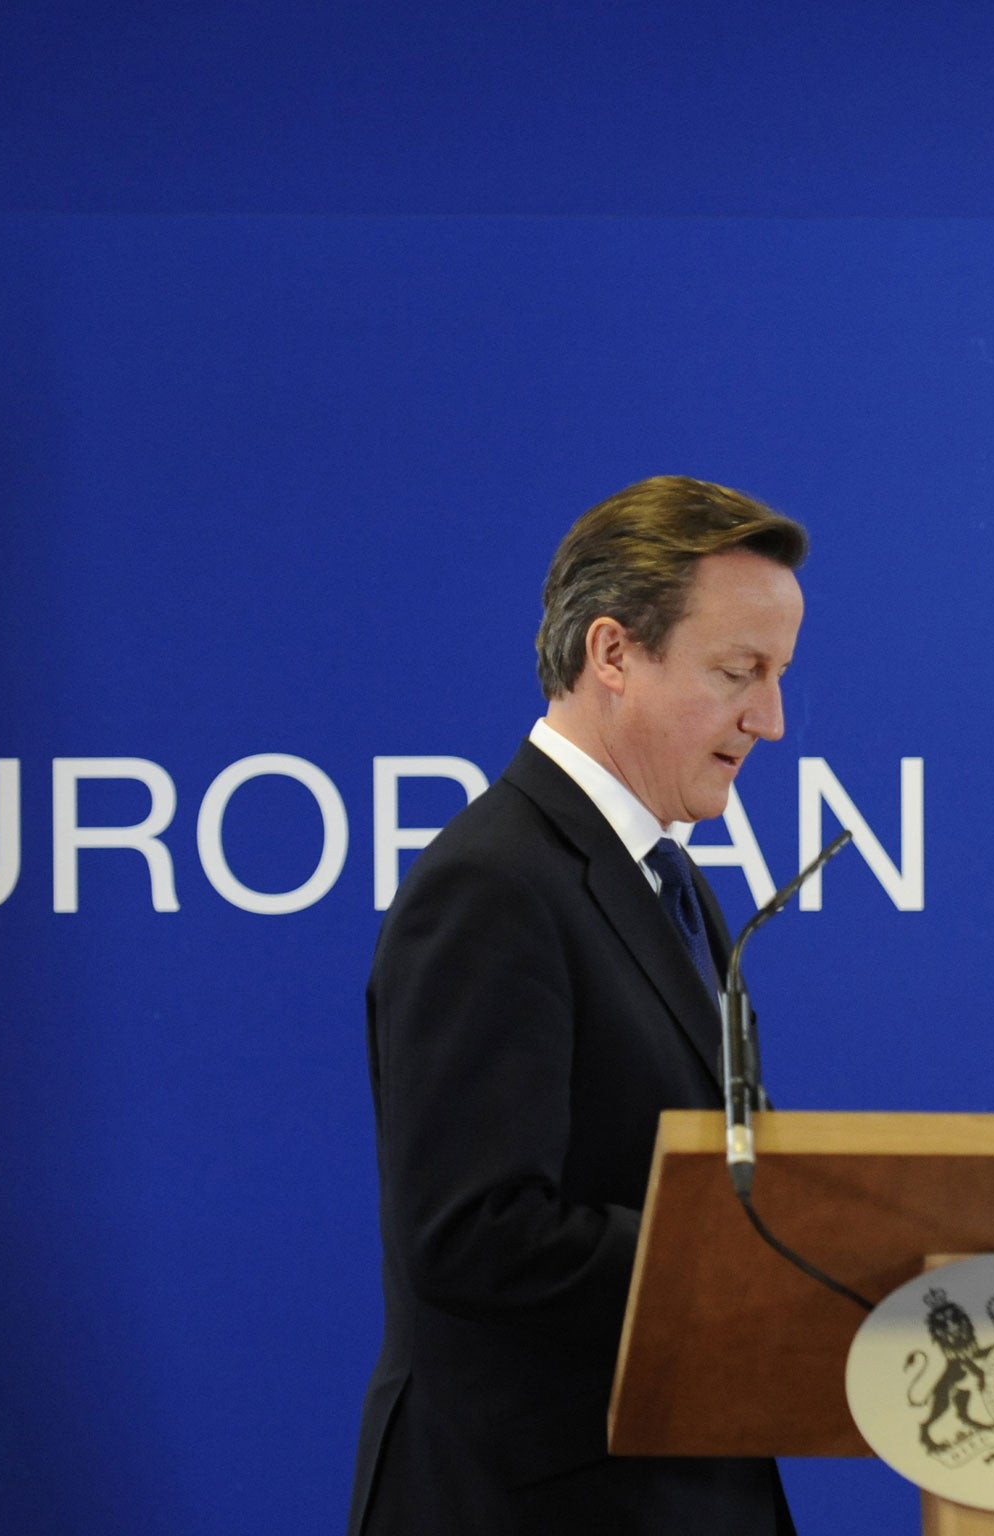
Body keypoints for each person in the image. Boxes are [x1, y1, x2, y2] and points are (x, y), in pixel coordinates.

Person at [347, 476, 808, 1536]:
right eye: (739, 672)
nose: (771, 720)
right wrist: (762, 1262)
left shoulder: (671, 880)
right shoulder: (494, 885)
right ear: (611, 655)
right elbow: (473, 1232)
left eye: (778, 676)